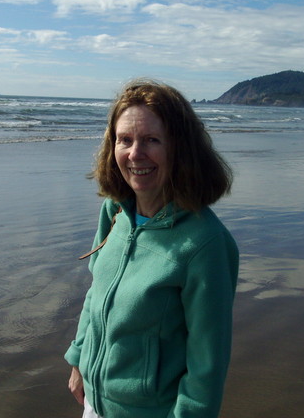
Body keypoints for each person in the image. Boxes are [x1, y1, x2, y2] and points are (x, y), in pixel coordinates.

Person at [64, 79, 239, 418]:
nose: (134, 154)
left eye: (151, 140)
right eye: (124, 140)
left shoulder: (206, 244)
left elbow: (207, 365)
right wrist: (78, 360)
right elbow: (97, 293)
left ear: (179, 147)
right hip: (93, 405)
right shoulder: (114, 212)